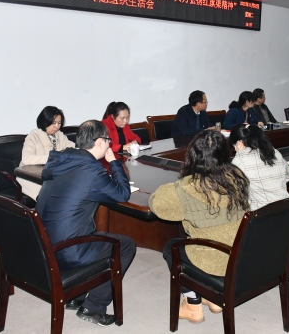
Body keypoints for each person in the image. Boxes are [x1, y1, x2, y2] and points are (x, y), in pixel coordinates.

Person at [35, 120, 135, 327]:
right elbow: (122, 193)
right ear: (100, 142)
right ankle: (94, 307)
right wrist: (114, 162)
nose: (109, 145)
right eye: (108, 141)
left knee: (94, 232)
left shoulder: (59, 160)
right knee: (125, 245)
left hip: (42, 245)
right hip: (66, 251)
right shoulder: (91, 171)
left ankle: (76, 296)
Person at [149, 130, 250, 323]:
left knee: (171, 247)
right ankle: (213, 299)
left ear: (192, 156)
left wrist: (176, 185)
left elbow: (156, 204)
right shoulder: (237, 176)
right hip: (240, 253)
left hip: (212, 259)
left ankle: (192, 303)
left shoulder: (187, 187)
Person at [19, 106, 75, 200]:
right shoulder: (33, 135)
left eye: (59, 123)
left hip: (52, 176)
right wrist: (52, 157)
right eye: (53, 123)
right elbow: (26, 158)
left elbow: (72, 147)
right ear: (45, 121)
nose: (57, 126)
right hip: (31, 179)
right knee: (53, 196)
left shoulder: (59, 135)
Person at [230, 124, 289, 210]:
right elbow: (288, 176)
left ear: (239, 144)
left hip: (262, 212)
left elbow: (234, 189)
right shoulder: (274, 152)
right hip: (287, 208)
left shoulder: (240, 160)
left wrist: (240, 153)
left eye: (234, 147)